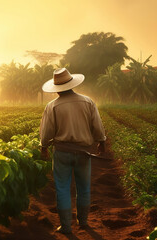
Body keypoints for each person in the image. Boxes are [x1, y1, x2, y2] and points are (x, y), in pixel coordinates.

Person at [39, 68, 106, 234]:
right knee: (83, 187)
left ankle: (66, 227)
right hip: (84, 152)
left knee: (62, 188)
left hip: (62, 152)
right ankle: (83, 222)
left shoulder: (52, 106)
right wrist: (101, 142)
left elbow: (47, 131)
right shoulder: (87, 102)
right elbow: (97, 126)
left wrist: (44, 147)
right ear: (71, 83)